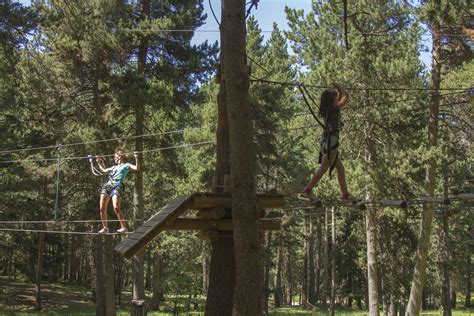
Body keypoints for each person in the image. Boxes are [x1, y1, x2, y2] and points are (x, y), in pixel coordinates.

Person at [301, 83, 354, 202]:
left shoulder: (328, 109)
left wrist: (337, 90)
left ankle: (345, 195)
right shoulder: (334, 108)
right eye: (335, 98)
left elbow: (342, 97)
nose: (337, 100)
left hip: (327, 142)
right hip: (331, 143)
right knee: (324, 167)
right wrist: (339, 86)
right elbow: (345, 96)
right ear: (332, 101)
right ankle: (307, 190)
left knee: (340, 168)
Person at [95, 150, 140, 234]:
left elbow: (137, 168)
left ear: (119, 156)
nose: (114, 159)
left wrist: (136, 158)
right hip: (107, 186)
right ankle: (105, 228)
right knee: (102, 208)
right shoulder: (113, 167)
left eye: (115, 157)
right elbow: (104, 171)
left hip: (118, 185)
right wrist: (98, 162)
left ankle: (123, 227)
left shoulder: (126, 165)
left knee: (116, 207)